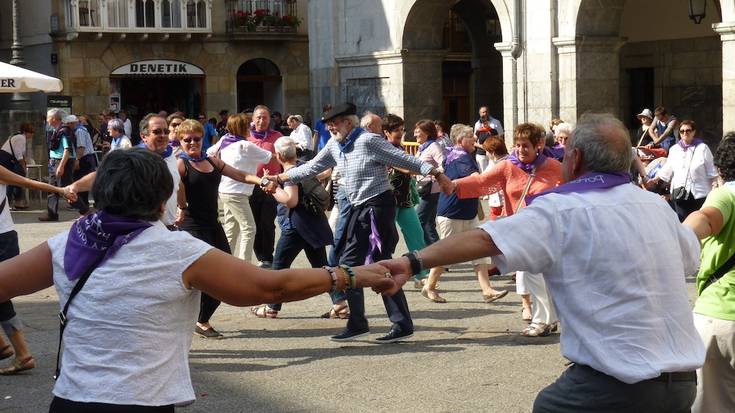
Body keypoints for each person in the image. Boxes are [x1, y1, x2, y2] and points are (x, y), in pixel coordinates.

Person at [0, 148, 396, 411]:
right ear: (162, 198)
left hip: (69, 400)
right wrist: (348, 274)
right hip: (139, 402)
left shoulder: (71, 238)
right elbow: (268, 287)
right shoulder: (176, 251)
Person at [379, 113, 705, 412]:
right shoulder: (656, 206)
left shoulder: (562, 208)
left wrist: (412, 260)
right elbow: (689, 256)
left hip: (616, 381)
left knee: (548, 406)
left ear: (574, 159)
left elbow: (485, 239)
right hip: (682, 381)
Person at [264, 102, 453, 343]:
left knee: (381, 263)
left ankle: (401, 323)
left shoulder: (368, 141)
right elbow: (311, 167)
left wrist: (437, 173)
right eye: (328, 124)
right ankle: (358, 322)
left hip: (377, 208)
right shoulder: (335, 145)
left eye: (335, 123)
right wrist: (279, 176)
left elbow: (405, 159)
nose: (330, 127)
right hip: (355, 208)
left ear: (349, 123)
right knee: (347, 265)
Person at [451, 123, 562, 334]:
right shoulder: (507, 166)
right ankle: (546, 319)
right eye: (518, 145)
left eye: (526, 145)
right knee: (533, 274)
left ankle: (544, 320)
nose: (520, 150)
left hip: (545, 229)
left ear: (538, 145)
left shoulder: (553, 166)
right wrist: (455, 184)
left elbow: (572, 186)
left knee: (537, 274)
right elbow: (482, 182)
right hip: (519, 230)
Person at [175, 119, 264, 338]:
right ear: (181, 141)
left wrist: (261, 181)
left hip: (213, 225)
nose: (193, 143)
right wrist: (180, 206)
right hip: (191, 227)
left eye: (197, 138)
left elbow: (241, 175)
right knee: (206, 276)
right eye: (188, 140)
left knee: (226, 274)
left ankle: (200, 318)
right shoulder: (180, 165)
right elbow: (173, 188)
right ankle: (195, 321)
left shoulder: (213, 162)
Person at [251, 137, 343, 318]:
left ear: (278, 155)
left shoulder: (291, 173)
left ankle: (271, 307)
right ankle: (340, 304)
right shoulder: (303, 166)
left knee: (279, 267)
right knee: (322, 267)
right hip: (313, 223)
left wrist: (272, 188)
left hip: (296, 226)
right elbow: (324, 173)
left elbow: (290, 201)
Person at [0, 162, 76, 375]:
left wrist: (60, 190)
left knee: (1, 292)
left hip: (2, 239)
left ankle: (21, 353)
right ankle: (7, 348)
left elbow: (26, 182)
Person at [423, 124, 507, 304]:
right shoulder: (461, 157)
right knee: (446, 254)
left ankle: (487, 290)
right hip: (453, 213)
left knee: (480, 250)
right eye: (471, 137)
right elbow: (478, 179)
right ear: (461, 141)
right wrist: (501, 168)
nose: (475, 140)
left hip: (465, 213)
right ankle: (429, 286)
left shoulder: (455, 154)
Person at [683, 134, 735, 412]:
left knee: (711, 404)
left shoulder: (726, 194)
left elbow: (704, 218)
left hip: (719, 315)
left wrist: (681, 236)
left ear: (721, 168)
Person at [70, 113, 182, 230]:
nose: (163, 135)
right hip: (142, 230)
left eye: (165, 132)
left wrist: (182, 207)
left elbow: (177, 182)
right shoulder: (134, 158)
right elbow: (104, 175)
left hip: (169, 227)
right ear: (144, 136)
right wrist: (76, 186)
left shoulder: (170, 155)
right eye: (157, 132)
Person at [206, 113, 272, 263]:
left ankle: (223, 263)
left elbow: (209, 153)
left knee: (231, 229)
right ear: (242, 127)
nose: (251, 126)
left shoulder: (224, 139)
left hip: (225, 190)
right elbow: (268, 156)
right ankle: (244, 264)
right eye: (248, 124)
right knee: (249, 228)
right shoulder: (246, 145)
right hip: (237, 192)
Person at [382, 114, 429, 288]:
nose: (401, 133)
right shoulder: (385, 148)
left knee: (416, 234)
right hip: (388, 200)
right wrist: (431, 171)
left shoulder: (400, 146)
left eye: (402, 129)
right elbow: (404, 167)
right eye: (396, 130)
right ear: (386, 132)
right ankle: (380, 271)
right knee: (386, 239)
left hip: (404, 200)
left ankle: (421, 275)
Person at [648, 120, 717, 221]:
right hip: (680, 193)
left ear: (694, 132)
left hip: (700, 193)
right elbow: (668, 167)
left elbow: (712, 170)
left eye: (688, 130)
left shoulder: (703, 148)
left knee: (700, 223)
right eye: (682, 131)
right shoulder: (675, 149)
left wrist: (715, 187)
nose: (685, 133)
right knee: (682, 223)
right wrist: (655, 179)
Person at [248, 105, 283, 268]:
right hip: (251, 185)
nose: (261, 120)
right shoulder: (245, 137)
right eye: (258, 117)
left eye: (265, 117)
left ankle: (267, 255)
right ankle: (259, 253)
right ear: (253, 119)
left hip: (271, 185)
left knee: (267, 222)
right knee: (253, 222)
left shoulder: (277, 136)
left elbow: (285, 157)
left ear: (270, 120)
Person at [39, 109, 88, 222]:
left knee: (67, 189)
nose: (46, 120)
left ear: (54, 119)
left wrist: (61, 166)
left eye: (48, 118)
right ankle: (52, 214)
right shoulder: (58, 130)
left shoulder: (64, 131)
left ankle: (85, 211)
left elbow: (67, 150)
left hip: (61, 162)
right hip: (55, 161)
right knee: (52, 189)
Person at [414, 120, 445, 247]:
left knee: (418, 221)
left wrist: (433, 175)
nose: (415, 134)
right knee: (428, 224)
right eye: (415, 131)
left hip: (431, 191)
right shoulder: (423, 147)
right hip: (425, 189)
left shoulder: (433, 147)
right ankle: (438, 259)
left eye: (418, 132)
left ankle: (429, 256)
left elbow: (443, 165)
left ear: (427, 133)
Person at [0, 122, 33, 210]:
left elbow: (21, 154)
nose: (32, 135)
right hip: (7, 159)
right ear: (27, 132)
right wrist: (23, 166)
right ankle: (11, 202)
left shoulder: (18, 136)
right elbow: (19, 154)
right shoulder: (21, 138)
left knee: (14, 181)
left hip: (7, 159)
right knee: (13, 181)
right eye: (31, 133)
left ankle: (14, 202)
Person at [69, 115, 98, 210]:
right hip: (86, 157)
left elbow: (81, 147)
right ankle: (83, 203)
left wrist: (77, 159)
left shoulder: (79, 131)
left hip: (85, 158)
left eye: (69, 124)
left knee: (82, 180)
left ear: (72, 123)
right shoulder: (80, 130)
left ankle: (83, 203)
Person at [473, 106, 505, 172]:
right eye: (483, 112)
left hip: (493, 153)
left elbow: (500, 138)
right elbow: (474, 141)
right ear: (479, 114)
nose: (485, 114)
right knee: (483, 173)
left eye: (486, 112)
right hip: (481, 154)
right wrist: (482, 146)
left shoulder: (496, 123)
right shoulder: (478, 126)